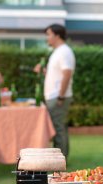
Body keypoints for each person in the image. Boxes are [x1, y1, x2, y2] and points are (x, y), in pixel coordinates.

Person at [34, 24, 75, 158]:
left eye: (49, 34)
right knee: (60, 128)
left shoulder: (64, 51)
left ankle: (59, 161)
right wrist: (44, 71)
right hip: (55, 96)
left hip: (57, 97)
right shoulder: (58, 51)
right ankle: (62, 159)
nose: (47, 38)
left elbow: (67, 73)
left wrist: (61, 96)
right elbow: (57, 74)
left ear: (57, 35)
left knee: (58, 130)